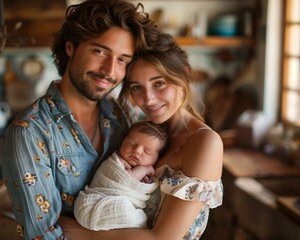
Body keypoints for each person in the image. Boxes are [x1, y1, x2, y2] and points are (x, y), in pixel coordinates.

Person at [0, 0, 159, 239]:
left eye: (122, 60)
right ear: (70, 47)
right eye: (101, 51)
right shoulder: (29, 133)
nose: (109, 71)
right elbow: (43, 234)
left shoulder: (120, 115)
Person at [59, 33, 224, 240]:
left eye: (159, 83)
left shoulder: (204, 142)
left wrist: (85, 233)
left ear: (183, 75)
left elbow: (163, 238)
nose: (148, 99)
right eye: (137, 87)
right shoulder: (139, 132)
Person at [74, 121, 168, 231]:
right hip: (91, 205)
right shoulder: (116, 162)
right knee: (131, 214)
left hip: (107, 212)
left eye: (147, 151)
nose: (137, 151)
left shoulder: (147, 176)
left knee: (132, 213)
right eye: (132, 143)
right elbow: (126, 180)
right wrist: (144, 169)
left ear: (157, 158)